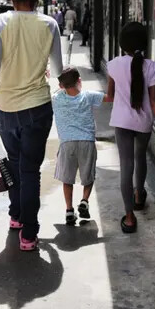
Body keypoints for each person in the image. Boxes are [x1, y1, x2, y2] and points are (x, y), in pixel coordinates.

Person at [0, 0, 63, 251]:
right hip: (37, 107)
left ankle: (15, 217)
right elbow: (59, 70)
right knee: (30, 170)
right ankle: (29, 234)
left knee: (14, 163)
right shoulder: (49, 24)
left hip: (5, 108)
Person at [106, 22, 155, 234]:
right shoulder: (152, 67)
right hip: (144, 123)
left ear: (122, 44)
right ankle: (139, 196)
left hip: (122, 122)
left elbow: (110, 95)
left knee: (126, 165)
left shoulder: (113, 65)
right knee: (140, 158)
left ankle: (129, 218)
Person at [52, 67, 112, 225]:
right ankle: (84, 200)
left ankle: (69, 210)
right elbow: (110, 98)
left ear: (61, 86)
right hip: (87, 142)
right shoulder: (88, 95)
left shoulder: (56, 99)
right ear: (79, 81)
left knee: (67, 178)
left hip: (67, 144)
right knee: (88, 175)